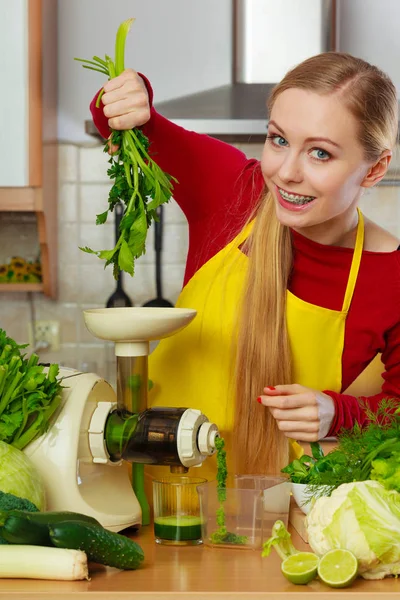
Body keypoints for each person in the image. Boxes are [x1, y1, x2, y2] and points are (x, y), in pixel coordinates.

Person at [90, 52, 400, 481]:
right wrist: (130, 96)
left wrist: (338, 413)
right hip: (147, 495)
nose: (286, 173)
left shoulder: (390, 276)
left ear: (375, 168)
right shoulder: (232, 190)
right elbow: (124, 127)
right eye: (278, 140)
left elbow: (396, 409)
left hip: (269, 516)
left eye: (321, 154)